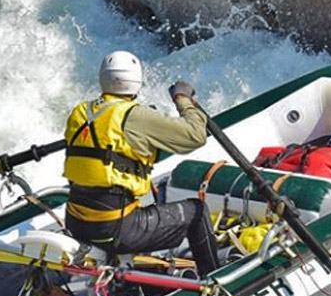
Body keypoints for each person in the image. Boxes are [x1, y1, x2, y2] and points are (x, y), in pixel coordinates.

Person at [63, 51, 220, 274]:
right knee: (197, 212)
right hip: (116, 229)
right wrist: (182, 99)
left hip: (76, 222)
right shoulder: (137, 116)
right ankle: (216, 280)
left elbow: (110, 149)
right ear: (135, 81)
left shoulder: (81, 112)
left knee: (134, 199)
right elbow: (195, 135)